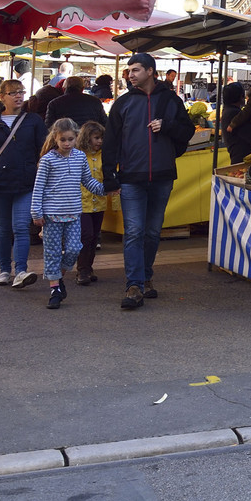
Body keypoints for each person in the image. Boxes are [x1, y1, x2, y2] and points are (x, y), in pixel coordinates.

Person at [102, 52, 195, 311]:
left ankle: (145, 275)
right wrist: (110, 176)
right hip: (131, 176)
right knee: (133, 232)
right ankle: (134, 285)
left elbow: (186, 132)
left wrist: (166, 127)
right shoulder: (123, 104)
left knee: (153, 232)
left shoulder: (171, 100)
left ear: (151, 71)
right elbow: (111, 141)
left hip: (163, 175)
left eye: (136, 70)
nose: (130, 74)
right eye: (129, 71)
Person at [0, 79, 44, 288]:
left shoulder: (33, 120)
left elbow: (45, 148)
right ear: (2, 96)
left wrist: (36, 171)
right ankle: (4, 270)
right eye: (13, 93)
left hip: (25, 182)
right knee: (4, 229)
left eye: (21, 92)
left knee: (21, 227)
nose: (18, 96)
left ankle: (21, 270)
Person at [31, 118, 105, 309]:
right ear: (55, 138)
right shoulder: (47, 160)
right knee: (52, 253)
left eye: (70, 139)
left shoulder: (80, 157)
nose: (67, 143)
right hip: (51, 215)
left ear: (76, 138)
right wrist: (36, 212)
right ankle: (54, 288)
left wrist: (106, 189)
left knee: (74, 248)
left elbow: (88, 181)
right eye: (63, 139)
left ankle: (59, 275)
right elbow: (38, 188)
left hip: (73, 213)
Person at [74, 120, 110, 286]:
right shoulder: (78, 155)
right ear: (87, 138)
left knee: (94, 237)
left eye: (101, 138)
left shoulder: (105, 155)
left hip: (100, 202)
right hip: (82, 202)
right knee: (86, 235)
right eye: (96, 138)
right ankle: (82, 269)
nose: (100, 141)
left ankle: (88, 267)